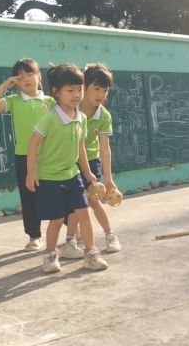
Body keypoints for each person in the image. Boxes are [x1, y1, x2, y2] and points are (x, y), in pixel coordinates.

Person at [26, 63, 108, 273]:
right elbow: (33, 143)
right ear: (56, 92)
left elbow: (80, 146)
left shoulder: (81, 118)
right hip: (49, 177)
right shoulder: (50, 117)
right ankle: (51, 256)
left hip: (72, 176)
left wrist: (88, 173)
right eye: (70, 90)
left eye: (79, 89)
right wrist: (31, 172)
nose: (76, 95)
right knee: (57, 219)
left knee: (83, 213)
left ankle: (91, 254)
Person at [0, 58, 53, 251]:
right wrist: (5, 86)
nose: (27, 79)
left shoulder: (51, 102)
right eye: (21, 77)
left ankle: (72, 231)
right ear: (16, 82)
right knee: (29, 197)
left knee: (56, 193)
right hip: (24, 156)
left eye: (30, 74)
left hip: (50, 156)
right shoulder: (14, 101)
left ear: (39, 76)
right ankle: (34, 236)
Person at [62, 63, 121, 254]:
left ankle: (110, 235)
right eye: (96, 88)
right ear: (84, 86)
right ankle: (70, 242)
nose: (101, 95)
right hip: (70, 160)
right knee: (76, 203)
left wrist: (109, 179)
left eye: (105, 90)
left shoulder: (104, 115)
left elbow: (105, 148)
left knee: (92, 200)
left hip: (92, 160)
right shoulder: (70, 108)